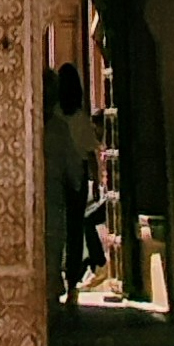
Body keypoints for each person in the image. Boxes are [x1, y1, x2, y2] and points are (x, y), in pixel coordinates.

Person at [44, 66, 101, 306]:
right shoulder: (71, 121)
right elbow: (85, 155)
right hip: (66, 186)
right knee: (68, 236)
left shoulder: (55, 121)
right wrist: (91, 181)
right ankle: (67, 286)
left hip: (50, 189)